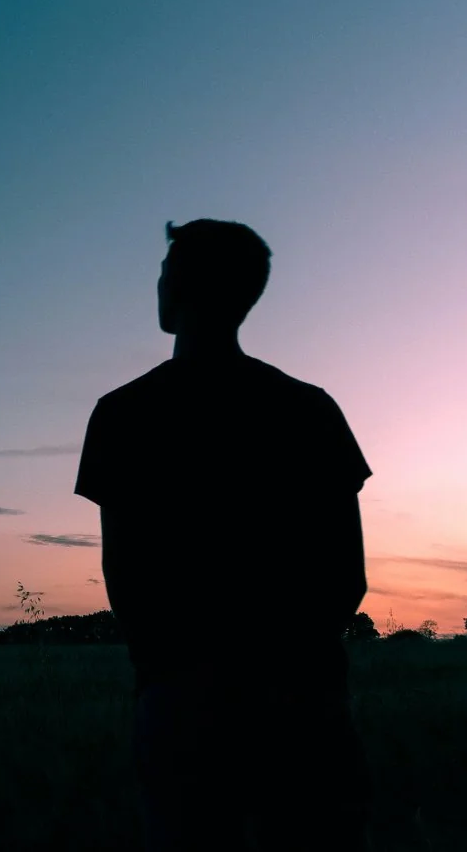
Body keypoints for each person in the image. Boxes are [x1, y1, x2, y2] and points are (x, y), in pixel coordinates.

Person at [75, 219, 374, 851]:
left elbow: (124, 578)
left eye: (163, 271)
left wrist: (177, 672)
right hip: (305, 697)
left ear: (177, 285)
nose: (156, 284)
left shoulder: (125, 414)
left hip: (180, 699)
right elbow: (348, 576)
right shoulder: (309, 409)